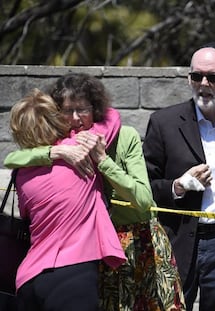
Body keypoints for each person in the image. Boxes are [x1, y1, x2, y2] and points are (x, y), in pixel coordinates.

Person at [4, 73, 186, 310]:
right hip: (87, 256)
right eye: (67, 111)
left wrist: (103, 161)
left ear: (96, 108)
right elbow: (13, 158)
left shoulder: (121, 137)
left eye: (83, 109)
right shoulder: (63, 145)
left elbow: (144, 200)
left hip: (135, 245)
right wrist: (54, 153)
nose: (76, 118)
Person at [143, 45, 215, 311]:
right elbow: (145, 183)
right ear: (188, 79)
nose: (204, 84)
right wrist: (178, 186)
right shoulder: (164, 122)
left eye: (213, 77)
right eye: (196, 76)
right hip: (178, 238)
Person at [5, 88, 126, 311]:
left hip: (28, 279)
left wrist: (52, 152)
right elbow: (112, 116)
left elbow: (26, 214)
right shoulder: (80, 148)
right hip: (73, 276)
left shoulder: (21, 173)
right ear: (57, 119)